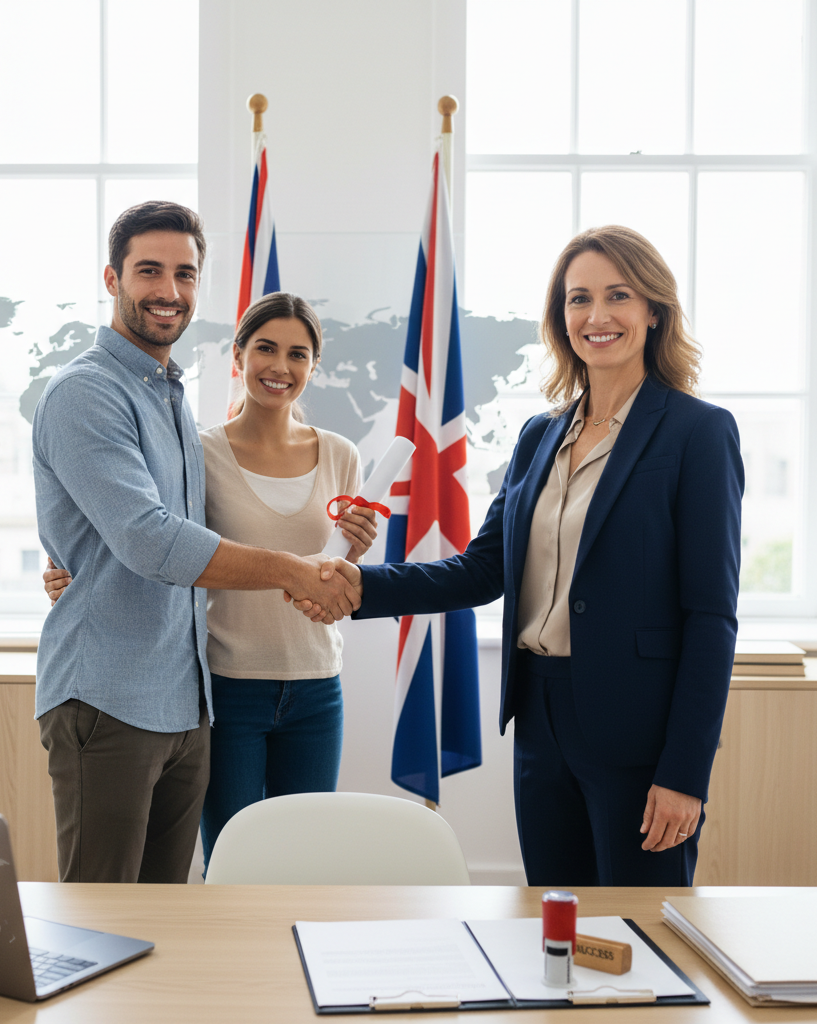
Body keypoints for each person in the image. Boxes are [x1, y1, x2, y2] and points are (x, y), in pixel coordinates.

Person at [297, 225, 744, 887]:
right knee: (553, 922)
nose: (596, 316)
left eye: (618, 295)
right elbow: (483, 569)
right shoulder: (540, 436)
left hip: (637, 729)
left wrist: (684, 773)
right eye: (578, 298)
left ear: (653, 310)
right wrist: (361, 585)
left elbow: (712, 618)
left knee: (640, 938)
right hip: (540, 718)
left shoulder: (698, 433)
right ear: (560, 317)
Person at [32, 202, 359, 885]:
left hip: (186, 702)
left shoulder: (167, 394)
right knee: (103, 915)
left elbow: (168, 532)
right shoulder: (86, 392)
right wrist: (291, 571)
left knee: (167, 919)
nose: (169, 291)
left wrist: (75, 566)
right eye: (149, 270)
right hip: (109, 698)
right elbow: (150, 540)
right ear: (112, 277)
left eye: (185, 273)